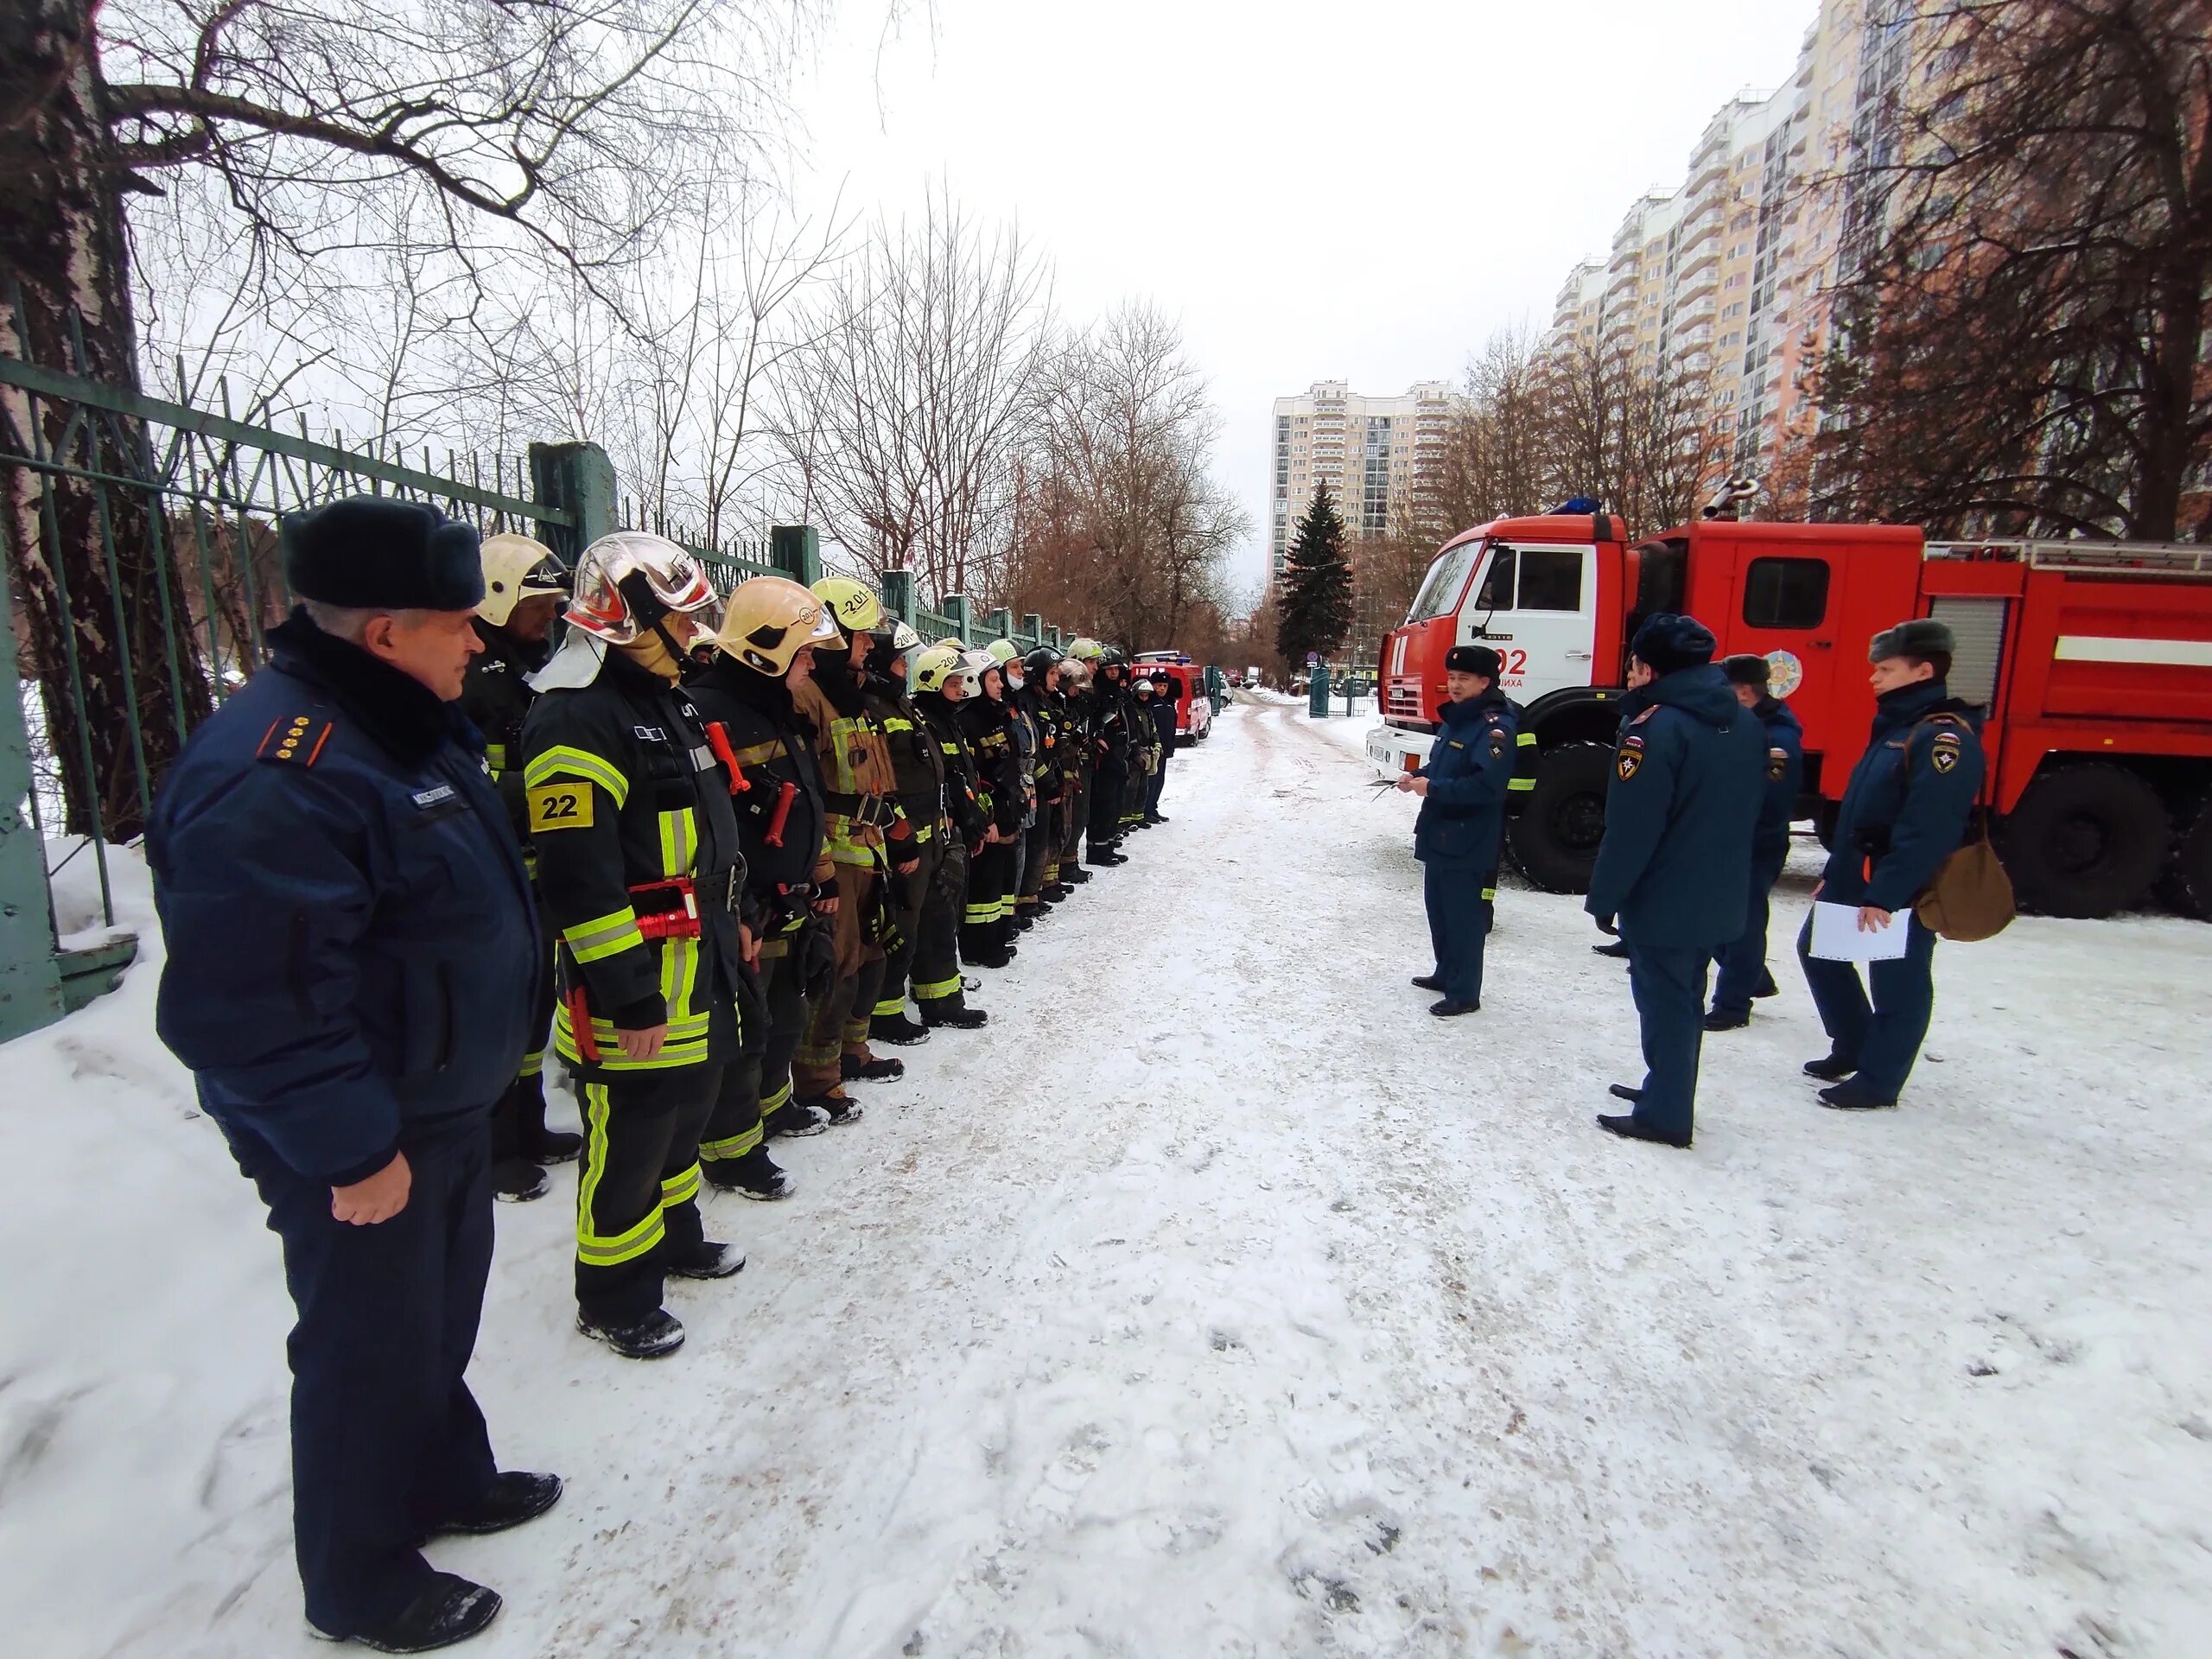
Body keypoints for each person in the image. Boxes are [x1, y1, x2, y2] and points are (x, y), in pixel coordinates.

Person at [149, 495, 557, 1652]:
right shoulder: (282, 767)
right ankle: (361, 1578)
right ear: (384, 631)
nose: (478, 639)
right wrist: (351, 1148)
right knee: (365, 1348)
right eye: (456, 620)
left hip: (436, 1103)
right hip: (366, 1131)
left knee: (436, 1317)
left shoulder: (399, 725)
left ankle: (443, 1477)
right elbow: (254, 1007)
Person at [520, 531, 748, 1359]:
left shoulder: (667, 699)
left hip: (700, 968)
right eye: (678, 623)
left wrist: (737, 919)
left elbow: (710, 835)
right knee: (628, 1140)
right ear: (626, 620)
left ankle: (677, 1238)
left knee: (683, 1120)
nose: (693, 638)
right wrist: (628, 994)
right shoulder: (575, 715)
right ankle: (613, 1294)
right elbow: (579, 882)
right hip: (637, 988)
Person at [1582, 614, 1763, 1148]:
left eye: (1634, 665)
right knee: (1686, 998)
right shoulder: (1745, 723)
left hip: (1663, 895)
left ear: (1648, 667)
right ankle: (1667, 1089)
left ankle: (1665, 1114)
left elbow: (1633, 827)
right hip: (1719, 890)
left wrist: (1606, 894)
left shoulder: (1654, 728)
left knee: (1665, 1003)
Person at [687, 576, 841, 1196]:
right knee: (742, 1032)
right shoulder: (707, 711)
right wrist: (744, 905)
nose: (811, 664)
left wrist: (817, 876)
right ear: (764, 651)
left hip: (790, 897)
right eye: (804, 652)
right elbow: (710, 828)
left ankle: (774, 1108)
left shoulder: (775, 708)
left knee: (782, 1015)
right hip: (744, 908)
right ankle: (731, 1153)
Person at [1797, 619, 1985, 1109]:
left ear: (1923, 670)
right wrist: (1834, 871)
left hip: (1897, 884)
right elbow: (1866, 810)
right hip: (1856, 872)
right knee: (1817, 950)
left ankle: (1880, 1080)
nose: (1873, 678)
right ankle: (1855, 1043)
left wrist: (1887, 892)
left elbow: (1929, 827)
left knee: (1897, 977)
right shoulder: (1898, 729)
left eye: (1886, 669)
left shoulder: (1943, 738)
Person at [457, 532, 581, 1203]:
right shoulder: (471, 677)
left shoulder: (536, 668)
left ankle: (527, 1127)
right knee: (500, 1012)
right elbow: (464, 782)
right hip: (492, 870)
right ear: (499, 599)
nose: (552, 614)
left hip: (534, 866)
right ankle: (495, 1148)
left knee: (534, 1008)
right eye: (541, 603)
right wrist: (548, 798)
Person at [789, 577, 921, 1114]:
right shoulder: (806, 697)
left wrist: (894, 827)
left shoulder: (856, 698)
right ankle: (819, 1077)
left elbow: (876, 777)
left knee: (868, 955)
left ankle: (853, 1048)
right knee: (836, 964)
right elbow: (806, 787)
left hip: (870, 849)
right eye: (861, 637)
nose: (869, 646)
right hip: (835, 855)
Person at [1397, 645, 1516, 1016]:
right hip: (1440, 831)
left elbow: (1485, 786)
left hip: (1467, 836)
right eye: (1451, 678)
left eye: (1464, 679)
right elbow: (1442, 767)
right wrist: (1418, 776)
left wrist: (1432, 789)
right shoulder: (1457, 720)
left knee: (1464, 915)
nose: (1455, 685)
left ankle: (1465, 991)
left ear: (1485, 682)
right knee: (1439, 907)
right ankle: (1446, 972)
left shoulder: (1495, 728)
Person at [1706, 654, 1804, 1031]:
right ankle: (1752, 977)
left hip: (1752, 844)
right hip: (1729, 842)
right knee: (1718, 918)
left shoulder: (1776, 738)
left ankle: (1733, 1004)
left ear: (1745, 692)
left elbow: (1772, 804)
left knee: (1743, 924)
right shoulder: (1744, 725)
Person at [860, 618, 945, 1042]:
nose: (903, 668)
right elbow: (883, 782)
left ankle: (934, 997)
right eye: (897, 661)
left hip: (928, 830)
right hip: (902, 836)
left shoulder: (898, 703)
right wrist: (901, 836)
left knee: (926, 921)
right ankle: (885, 1012)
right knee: (899, 929)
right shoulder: (873, 708)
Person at [910, 644, 993, 1027]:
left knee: (947, 914)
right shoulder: (924, 722)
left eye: (962, 682)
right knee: (937, 918)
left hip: (950, 830)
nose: (961, 690)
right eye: (954, 683)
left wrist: (973, 820)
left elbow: (962, 780)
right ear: (931, 683)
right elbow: (945, 783)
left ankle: (943, 990)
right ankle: (940, 1002)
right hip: (932, 832)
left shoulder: (948, 721)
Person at [959, 648, 1027, 966]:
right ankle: (979, 949)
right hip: (990, 817)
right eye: (994, 679)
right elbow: (973, 778)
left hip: (1007, 809)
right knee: (984, 890)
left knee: (1001, 884)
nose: (1000, 685)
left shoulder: (997, 715)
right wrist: (987, 819)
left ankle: (998, 939)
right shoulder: (968, 722)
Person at [1022, 645, 1072, 906]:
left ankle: (1039, 887)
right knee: (1036, 840)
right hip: (1037, 784)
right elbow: (1033, 750)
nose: (1057, 678)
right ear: (1039, 675)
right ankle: (1026, 896)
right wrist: (1048, 783)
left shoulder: (1047, 701)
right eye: (1053, 673)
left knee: (1051, 834)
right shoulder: (1026, 702)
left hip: (1051, 779)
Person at [1054, 648, 1098, 887]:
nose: (1076, 693)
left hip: (1079, 767)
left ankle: (1070, 862)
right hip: (1064, 771)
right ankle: (1063, 865)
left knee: (1079, 816)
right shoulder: (1058, 707)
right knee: (1066, 820)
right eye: (1074, 688)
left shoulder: (1079, 704)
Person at [1141, 673, 1179, 823]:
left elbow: (1172, 725)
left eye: (1165, 686)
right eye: (1159, 685)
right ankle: (1145, 809)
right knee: (1151, 780)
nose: (1162, 688)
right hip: (1152, 748)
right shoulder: (1150, 703)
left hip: (1165, 748)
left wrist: (1171, 744)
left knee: (1159, 780)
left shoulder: (1169, 703)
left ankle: (1153, 808)